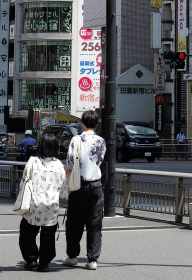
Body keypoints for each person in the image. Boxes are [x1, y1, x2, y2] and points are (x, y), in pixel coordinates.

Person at [18, 131, 68, 272]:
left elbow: (23, 183)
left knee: (27, 233)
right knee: (48, 236)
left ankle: (31, 259)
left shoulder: (33, 162)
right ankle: (44, 264)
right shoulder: (58, 165)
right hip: (51, 206)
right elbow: (64, 190)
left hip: (33, 205)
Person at [63, 110, 106, 270]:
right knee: (95, 222)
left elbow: (69, 163)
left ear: (82, 123)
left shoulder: (76, 139)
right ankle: (92, 260)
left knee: (75, 222)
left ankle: (72, 256)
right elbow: (99, 160)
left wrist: (62, 177)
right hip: (96, 185)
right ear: (96, 124)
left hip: (79, 185)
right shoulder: (101, 141)